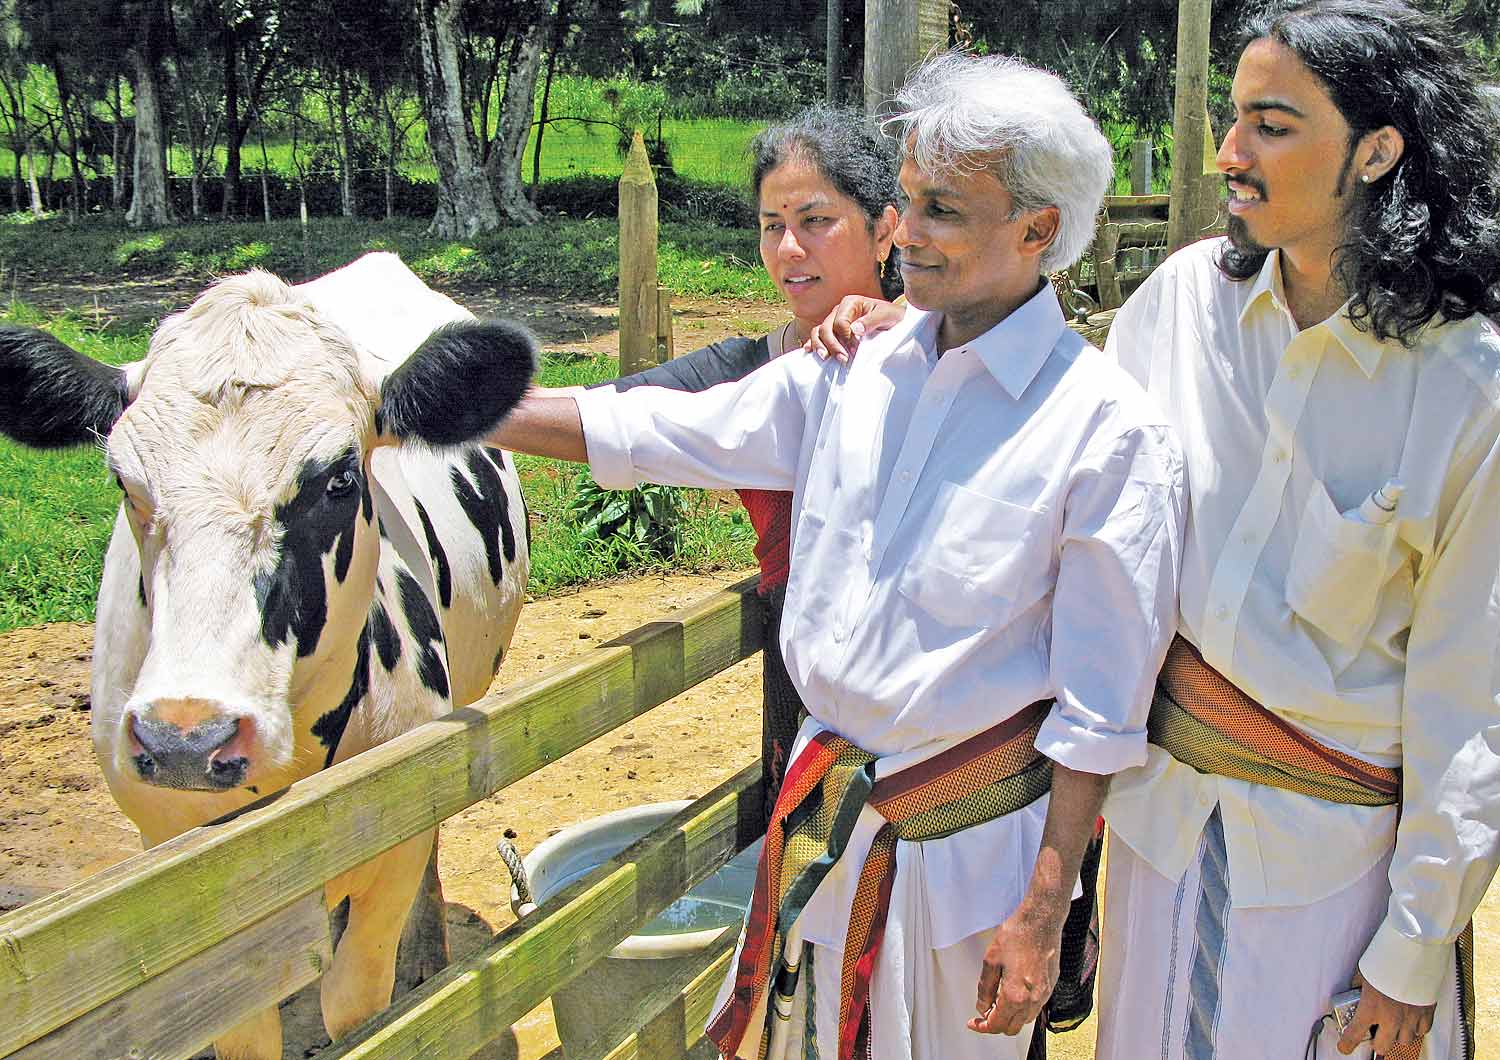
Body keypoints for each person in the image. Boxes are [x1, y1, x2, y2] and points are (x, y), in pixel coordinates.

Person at [487, 52, 1184, 1060]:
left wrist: (1043, 911)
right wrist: (463, 410)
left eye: (942, 207)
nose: (907, 232)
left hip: (966, 864)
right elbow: (648, 430)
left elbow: (1099, 713)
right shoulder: (852, 369)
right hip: (821, 824)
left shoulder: (1106, 432)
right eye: (904, 201)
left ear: (1037, 228)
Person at [596, 104, 899, 819]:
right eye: (771, 226)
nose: (789, 248)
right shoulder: (744, 374)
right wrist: (455, 402)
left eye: (816, 221)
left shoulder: (943, 350)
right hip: (800, 673)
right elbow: (601, 415)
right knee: (805, 882)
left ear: (886, 228)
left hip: (924, 678)